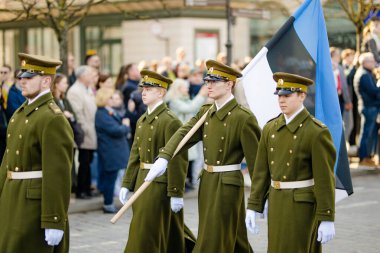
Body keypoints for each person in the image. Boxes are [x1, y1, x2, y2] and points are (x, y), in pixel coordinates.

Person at [145, 60, 261, 252]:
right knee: (234, 238)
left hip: (227, 184)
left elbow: (257, 163)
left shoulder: (243, 117)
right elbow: (184, 134)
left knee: (213, 238)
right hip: (207, 182)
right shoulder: (206, 113)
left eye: (215, 81)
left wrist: (258, 201)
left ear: (229, 84)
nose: (209, 85)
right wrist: (165, 156)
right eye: (207, 81)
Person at [245, 72, 336, 253]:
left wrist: (327, 216)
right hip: (277, 201)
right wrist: (254, 206)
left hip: (302, 205)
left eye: (287, 95)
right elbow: (262, 172)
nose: (281, 100)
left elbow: (325, 178)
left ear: (302, 96)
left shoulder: (316, 131)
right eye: (279, 95)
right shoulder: (270, 128)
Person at [0, 53, 73, 252]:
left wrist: (54, 219)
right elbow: (7, 161)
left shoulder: (52, 118)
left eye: (29, 77)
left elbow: (58, 174)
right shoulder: (19, 113)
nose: (22, 80)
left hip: (34, 205)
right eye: (22, 76)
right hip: (11, 199)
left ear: (46, 81)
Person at [119, 70, 188, 252]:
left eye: (149, 89)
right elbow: (135, 155)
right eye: (143, 88)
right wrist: (127, 183)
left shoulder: (170, 120)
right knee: (144, 228)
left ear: (161, 92)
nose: (143, 92)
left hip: (159, 184)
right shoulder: (142, 120)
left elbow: (178, 158)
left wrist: (176, 192)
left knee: (148, 232)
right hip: (142, 179)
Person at [95, 88, 130, 213]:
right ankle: (108, 203)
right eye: (110, 97)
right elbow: (116, 130)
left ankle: (110, 201)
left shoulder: (109, 111)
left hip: (115, 150)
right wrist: (125, 125)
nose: (113, 100)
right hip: (110, 150)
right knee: (110, 178)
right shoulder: (101, 113)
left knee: (113, 177)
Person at [67, 65, 98, 199]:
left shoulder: (88, 88)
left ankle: (87, 188)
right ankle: (81, 190)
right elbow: (78, 112)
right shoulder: (75, 91)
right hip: (84, 130)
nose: (92, 76)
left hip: (91, 128)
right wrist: (84, 129)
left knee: (88, 160)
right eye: (90, 74)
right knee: (84, 160)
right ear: (82, 76)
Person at [353, 53, 380, 167]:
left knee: (368, 133)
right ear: (365, 62)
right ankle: (363, 158)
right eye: (372, 61)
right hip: (368, 107)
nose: (374, 63)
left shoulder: (365, 73)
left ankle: (367, 157)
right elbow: (373, 91)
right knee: (366, 134)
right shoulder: (364, 75)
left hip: (368, 106)